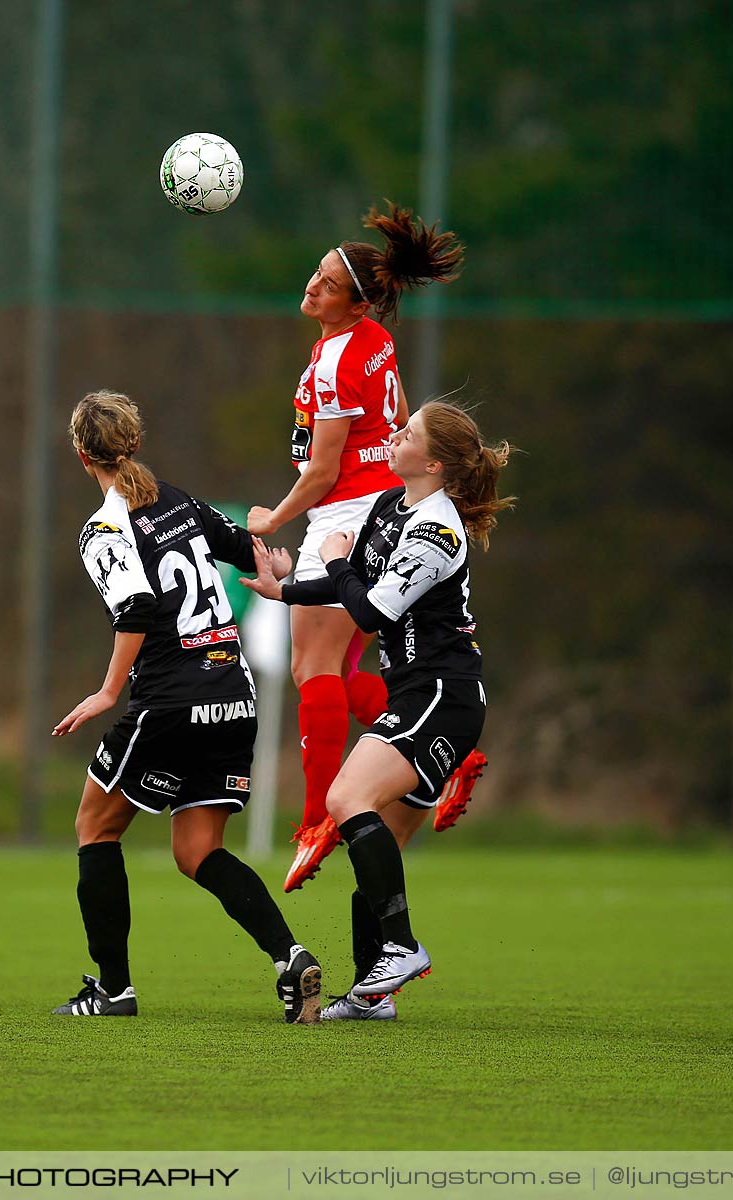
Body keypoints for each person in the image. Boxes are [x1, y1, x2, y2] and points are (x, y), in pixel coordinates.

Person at [51, 390, 323, 1023]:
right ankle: (290, 957)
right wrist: (278, 570)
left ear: (80, 455)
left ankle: (112, 990)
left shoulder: (104, 529)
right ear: (135, 443)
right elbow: (242, 546)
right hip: (234, 693)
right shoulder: (179, 500)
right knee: (198, 851)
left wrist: (109, 691)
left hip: (172, 697)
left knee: (96, 826)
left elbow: (138, 610)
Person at [244, 401, 514, 1020]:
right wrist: (285, 588)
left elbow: (369, 611)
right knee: (380, 840)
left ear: (434, 462)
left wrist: (335, 561)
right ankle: (374, 993)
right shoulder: (393, 506)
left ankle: (401, 946)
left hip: (440, 698)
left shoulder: (437, 532)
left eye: (408, 434)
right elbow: (355, 581)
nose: (395, 436)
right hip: (418, 697)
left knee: (345, 801)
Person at [245, 202, 485, 893]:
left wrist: (272, 520)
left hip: (346, 512)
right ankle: (454, 752)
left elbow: (321, 469)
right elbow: (404, 411)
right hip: (382, 503)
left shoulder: (334, 360)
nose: (313, 287)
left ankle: (318, 818)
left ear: (355, 303)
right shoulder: (374, 338)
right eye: (316, 275)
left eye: (327, 282)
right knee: (342, 670)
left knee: (312, 664)